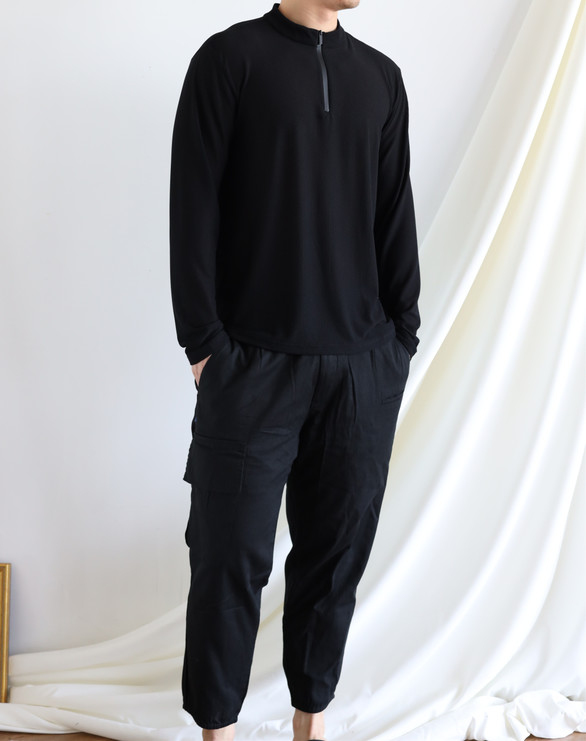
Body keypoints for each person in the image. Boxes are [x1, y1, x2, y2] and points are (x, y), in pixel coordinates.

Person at [169, 0, 420, 738]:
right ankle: (217, 730)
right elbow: (193, 205)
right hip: (251, 367)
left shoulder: (381, 78)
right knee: (227, 561)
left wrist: (400, 339)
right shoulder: (229, 61)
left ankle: (310, 725)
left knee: (333, 563)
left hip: (361, 368)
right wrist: (204, 345)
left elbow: (394, 213)